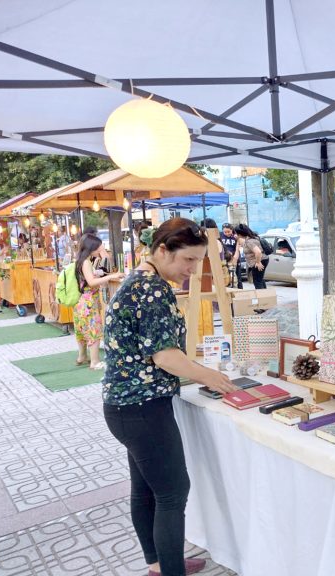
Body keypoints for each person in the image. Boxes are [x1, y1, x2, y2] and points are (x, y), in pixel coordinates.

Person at [102, 218, 236, 576]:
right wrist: (213, 377)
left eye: (198, 261)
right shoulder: (153, 289)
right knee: (173, 493)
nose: (192, 270)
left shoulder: (139, 280)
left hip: (124, 407)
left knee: (146, 489)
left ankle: (159, 565)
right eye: (188, 260)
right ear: (163, 250)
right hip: (142, 408)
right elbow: (165, 356)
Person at [73, 234, 124, 369]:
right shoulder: (86, 262)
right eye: (97, 248)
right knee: (93, 329)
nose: (99, 250)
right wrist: (111, 276)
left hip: (82, 301)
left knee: (82, 330)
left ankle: (82, 356)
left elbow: (87, 278)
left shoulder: (81, 260)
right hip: (89, 302)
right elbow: (91, 281)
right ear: (91, 247)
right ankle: (94, 361)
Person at [233, 223, 268, 289]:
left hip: (258, 260)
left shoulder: (249, 241)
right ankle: (265, 295)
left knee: (257, 281)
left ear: (240, 234)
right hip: (263, 259)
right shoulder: (252, 237)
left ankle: (261, 297)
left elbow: (258, 252)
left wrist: (258, 262)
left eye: (237, 233)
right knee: (260, 279)